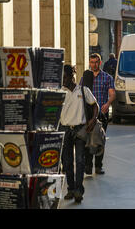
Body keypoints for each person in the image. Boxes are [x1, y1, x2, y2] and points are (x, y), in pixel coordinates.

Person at [59, 65, 98, 203]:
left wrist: (93, 120)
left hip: (80, 129)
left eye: (65, 77)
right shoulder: (59, 92)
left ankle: (78, 190)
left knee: (80, 161)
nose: (63, 80)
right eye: (61, 77)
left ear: (72, 76)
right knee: (67, 162)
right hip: (65, 129)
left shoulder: (83, 90)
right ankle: (70, 189)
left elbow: (95, 105)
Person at [85, 53, 116, 175]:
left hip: (102, 114)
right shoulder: (86, 77)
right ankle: (88, 166)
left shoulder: (107, 78)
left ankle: (98, 166)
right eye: (92, 62)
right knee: (87, 138)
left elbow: (112, 94)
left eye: (96, 62)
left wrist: (108, 104)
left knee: (100, 139)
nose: (94, 64)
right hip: (88, 113)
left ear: (100, 62)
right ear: (89, 63)